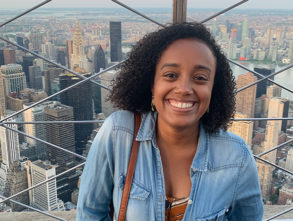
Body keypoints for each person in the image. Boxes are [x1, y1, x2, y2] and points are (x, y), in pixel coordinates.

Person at [76, 22, 263, 221]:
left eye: (200, 77)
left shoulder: (237, 157)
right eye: (170, 75)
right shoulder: (118, 133)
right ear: (152, 84)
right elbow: (90, 215)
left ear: (213, 90)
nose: (184, 88)